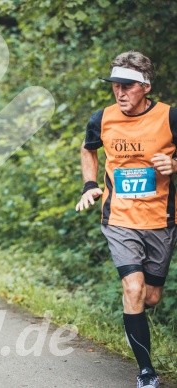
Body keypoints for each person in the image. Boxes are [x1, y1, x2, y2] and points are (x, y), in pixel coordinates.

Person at [76, 51, 177, 388]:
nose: (120, 92)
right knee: (132, 288)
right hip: (118, 218)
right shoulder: (101, 119)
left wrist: (175, 166)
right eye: (116, 86)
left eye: (128, 86)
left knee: (150, 297)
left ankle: (135, 322)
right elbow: (88, 148)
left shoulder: (170, 117)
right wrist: (90, 185)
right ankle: (146, 372)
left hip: (161, 220)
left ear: (145, 86)